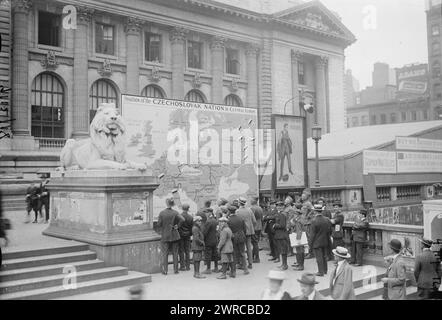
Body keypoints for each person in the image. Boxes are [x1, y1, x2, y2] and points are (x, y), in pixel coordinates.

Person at [157, 198, 184, 275]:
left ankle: (165, 270)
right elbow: (182, 219)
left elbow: (159, 224)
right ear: (172, 204)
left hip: (165, 235)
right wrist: (177, 226)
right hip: (175, 235)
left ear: (166, 203)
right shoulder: (175, 212)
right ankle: (176, 270)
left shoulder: (162, 213)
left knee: (165, 253)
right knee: (175, 253)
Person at [309, 204, 331, 276]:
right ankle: (325, 270)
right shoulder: (327, 219)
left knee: (319, 257)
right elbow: (329, 231)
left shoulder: (314, 221)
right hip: (325, 240)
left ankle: (320, 271)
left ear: (315, 211)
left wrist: (310, 244)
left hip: (317, 242)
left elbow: (312, 234)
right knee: (324, 256)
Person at [227, 205, 249, 276]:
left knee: (233, 254)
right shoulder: (240, 218)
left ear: (229, 211)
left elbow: (229, 231)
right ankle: (245, 269)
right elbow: (244, 229)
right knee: (242, 253)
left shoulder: (229, 220)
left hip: (234, 237)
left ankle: (233, 272)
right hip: (241, 236)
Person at [236, 197, 256, 269]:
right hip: (249, 232)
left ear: (239, 203)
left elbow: (237, 222)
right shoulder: (249, 210)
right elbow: (254, 221)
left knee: (241, 248)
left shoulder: (237, 211)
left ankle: (241, 263)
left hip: (241, 232)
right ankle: (250, 263)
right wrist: (251, 227)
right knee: (249, 247)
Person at [273, 201, 289, 270]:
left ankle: (285, 265)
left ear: (283, 207)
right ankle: (283, 264)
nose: (279, 207)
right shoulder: (281, 214)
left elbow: (282, 225)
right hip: (281, 234)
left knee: (283, 250)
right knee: (282, 250)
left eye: (280, 206)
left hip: (281, 234)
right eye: (277, 206)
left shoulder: (282, 214)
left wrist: (274, 225)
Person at [178, 204, 193, 271]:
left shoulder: (179, 216)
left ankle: (182, 266)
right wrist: (189, 234)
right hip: (187, 235)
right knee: (187, 251)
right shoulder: (190, 217)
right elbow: (191, 228)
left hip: (180, 235)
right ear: (188, 209)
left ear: (182, 208)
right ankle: (188, 266)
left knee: (181, 251)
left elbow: (178, 226)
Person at [290, 205, 305, 271]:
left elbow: (299, 230)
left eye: (295, 214)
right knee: (299, 251)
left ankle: (301, 266)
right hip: (299, 236)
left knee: (299, 251)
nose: (294, 215)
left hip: (299, 237)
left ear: (298, 214)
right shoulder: (298, 219)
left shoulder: (299, 221)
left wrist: (298, 239)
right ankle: (299, 264)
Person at [250, 197, 263, 263]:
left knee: (254, 243)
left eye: (251, 200)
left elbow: (252, 219)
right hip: (259, 226)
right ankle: (252, 256)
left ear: (253, 201)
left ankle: (257, 258)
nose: (250, 201)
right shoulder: (260, 208)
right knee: (256, 242)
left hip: (254, 227)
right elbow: (261, 218)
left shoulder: (252, 208)